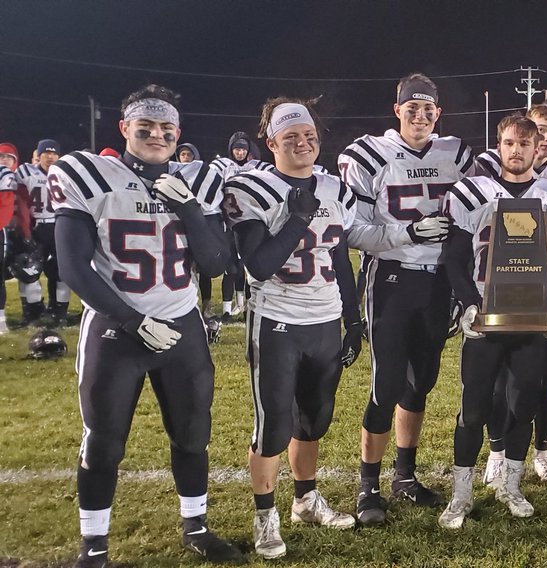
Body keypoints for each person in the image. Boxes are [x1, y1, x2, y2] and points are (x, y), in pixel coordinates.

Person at [52, 84, 243, 566]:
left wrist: (188, 209)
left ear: (178, 132)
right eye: (146, 126)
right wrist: (132, 318)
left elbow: (217, 263)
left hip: (181, 325)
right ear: (125, 129)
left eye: (166, 128)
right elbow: (73, 268)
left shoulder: (197, 180)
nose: (156, 134)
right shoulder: (91, 175)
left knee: (192, 433)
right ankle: (93, 547)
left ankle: (196, 526)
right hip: (117, 331)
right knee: (105, 440)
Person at [222, 97, 364, 559]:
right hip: (278, 321)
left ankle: (305, 499)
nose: (302, 144)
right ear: (271, 143)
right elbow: (258, 265)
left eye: (308, 136)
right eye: (290, 138)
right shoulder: (252, 189)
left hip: (324, 319)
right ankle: (266, 517)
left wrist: (354, 317)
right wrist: (299, 216)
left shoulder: (334, 188)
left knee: (315, 418)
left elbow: (341, 257)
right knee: (273, 426)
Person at [338, 72, 473, 524]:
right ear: (396, 110)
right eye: (411, 108)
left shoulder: (456, 154)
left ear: (439, 112)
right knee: (387, 384)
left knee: (421, 384)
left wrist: (461, 285)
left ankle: (405, 476)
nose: (420, 116)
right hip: (392, 279)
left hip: (437, 283)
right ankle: (367, 486)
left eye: (428, 109)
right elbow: (352, 230)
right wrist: (407, 232)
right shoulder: (369, 154)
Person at [438, 114, 547, 529]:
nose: (516, 150)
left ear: (539, 148)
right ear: (498, 147)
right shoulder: (472, 191)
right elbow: (455, 255)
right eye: (508, 143)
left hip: (534, 318)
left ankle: (511, 485)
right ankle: (461, 494)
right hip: (486, 315)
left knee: (524, 403)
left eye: (524, 143)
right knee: (473, 407)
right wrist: (466, 301)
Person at [474, 104, 547, 488]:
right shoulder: (491, 169)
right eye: (540, 130)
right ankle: (497, 452)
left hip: (546, 295)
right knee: (501, 379)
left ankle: (543, 453)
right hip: (502, 290)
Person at [213, 132, 269, 320]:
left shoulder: (256, 167)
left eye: (243, 149)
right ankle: (228, 309)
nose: (240, 152)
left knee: (250, 267)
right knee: (232, 269)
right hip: (228, 224)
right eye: (237, 149)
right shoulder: (223, 167)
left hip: (249, 223)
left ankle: (246, 306)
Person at [15, 138, 71, 325]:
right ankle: (33, 312)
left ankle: (59, 311)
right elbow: (19, 200)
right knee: (29, 271)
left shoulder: (65, 173)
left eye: (54, 153)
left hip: (59, 226)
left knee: (62, 273)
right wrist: (24, 229)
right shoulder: (26, 172)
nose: (50, 157)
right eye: (46, 153)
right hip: (36, 227)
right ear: (38, 156)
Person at [0, 142, 17, 334]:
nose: (4, 160)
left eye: (8, 157)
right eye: (1, 156)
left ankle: (1, 322)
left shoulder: (6, 175)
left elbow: (5, 206)